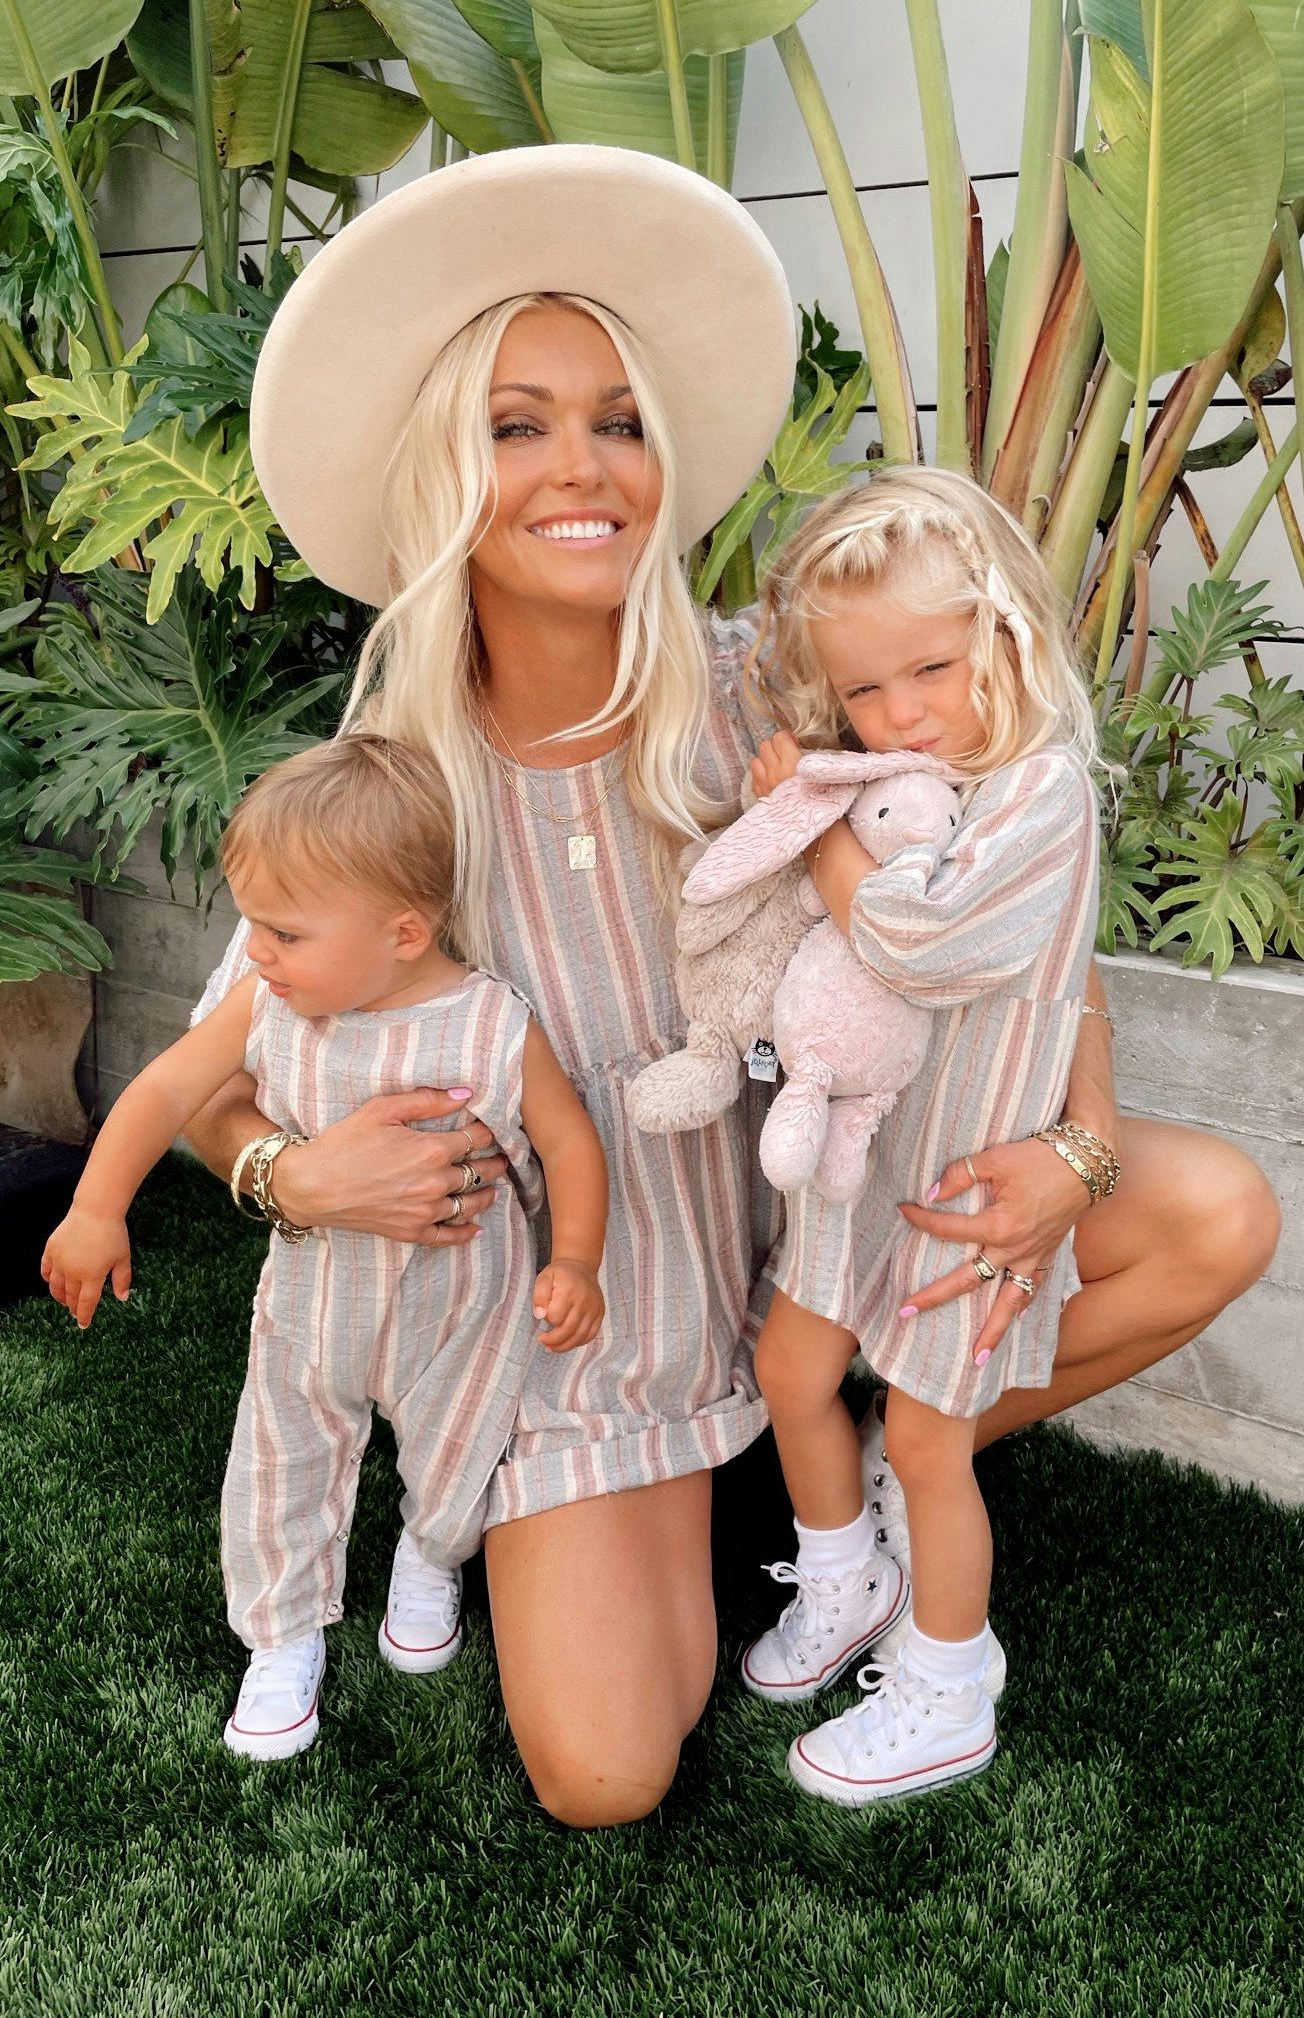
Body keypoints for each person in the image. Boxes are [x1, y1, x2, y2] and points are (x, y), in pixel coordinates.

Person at [179, 147, 1278, 1827]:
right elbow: (213, 1068)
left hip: (825, 1231)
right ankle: (737, 1472)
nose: (583, 465)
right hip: (583, 1337)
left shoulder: (769, 706)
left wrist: (1079, 1146)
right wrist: (288, 1168)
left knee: (1204, 1209)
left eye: (617, 418)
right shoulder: (384, 782)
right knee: (607, 1769)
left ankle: (889, 1462)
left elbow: (1008, 927)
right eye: (516, 422)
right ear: (438, 473)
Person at [42, 733, 607, 1761]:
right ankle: (284, 1634)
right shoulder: (267, 1005)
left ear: (403, 929)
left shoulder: (490, 1025)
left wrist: (573, 1261)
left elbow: (570, 1143)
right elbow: (168, 1088)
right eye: (252, 922)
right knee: (279, 1465)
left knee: (461, 1452)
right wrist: (95, 1207)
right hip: (313, 1298)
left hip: (464, 1312)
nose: (254, 951)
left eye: (284, 932)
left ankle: (431, 1558)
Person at [736, 467, 1101, 1803]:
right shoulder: (902, 768)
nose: (900, 715)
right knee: (793, 1362)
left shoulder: (1041, 792)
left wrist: (820, 829)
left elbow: (922, 939)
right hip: (860, 1162)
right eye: (867, 693)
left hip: (963, 1184)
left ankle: (950, 1680)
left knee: (933, 1438)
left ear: (1005, 631)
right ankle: (844, 1577)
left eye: (931, 670)